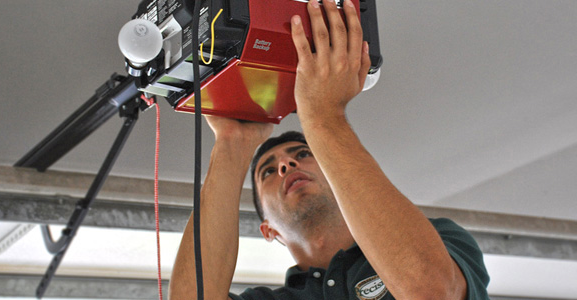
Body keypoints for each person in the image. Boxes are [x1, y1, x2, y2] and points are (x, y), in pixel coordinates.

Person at [169, 1, 488, 299]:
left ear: (340, 180)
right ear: (268, 230)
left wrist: (325, 117)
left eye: (303, 154)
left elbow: (430, 290)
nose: (286, 164)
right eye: (268, 170)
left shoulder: (441, 239)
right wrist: (231, 145)